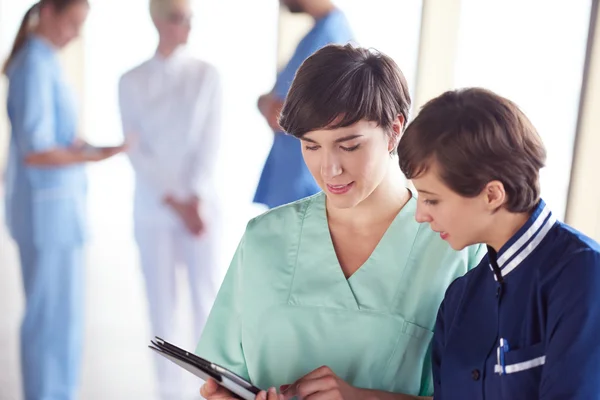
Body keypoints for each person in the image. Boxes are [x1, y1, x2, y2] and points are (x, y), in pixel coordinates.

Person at [196, 44, 486, 400]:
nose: (329, 169)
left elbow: (478, 393)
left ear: (394, 130)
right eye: (311, 146)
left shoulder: (454, 249)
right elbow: (220, 376)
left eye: (349, 146)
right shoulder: (264, 239)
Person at [398, 87, 600, 399]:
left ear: (492, 194)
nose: (420, 215)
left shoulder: (585, 274)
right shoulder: (458, 299)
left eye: (432, 200)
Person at [3, 1, 126, 399]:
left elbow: (53, 137)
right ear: (49, 12)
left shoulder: (46, 61)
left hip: (57, 209)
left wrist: (84, 146)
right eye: (71, 23)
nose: (75, 33)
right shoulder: (34, 64)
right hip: (45, 212)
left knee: (62, 318)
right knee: (48, 319)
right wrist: (92, 155)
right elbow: (36, 150)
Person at [118, 0, 224, 398]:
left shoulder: (207, 75)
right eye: (180, 19)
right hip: (155, 208)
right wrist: (176, 201)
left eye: (190, 19)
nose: (188, 28)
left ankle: (213, 389)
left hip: (201, 208)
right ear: (157, 20)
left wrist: (193, 198)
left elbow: (209, 143)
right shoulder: (130, 80)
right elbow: (136, 150)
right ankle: (168, 391)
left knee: (207, 303)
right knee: (161, 307)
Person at [253, 0, 354, 209]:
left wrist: (271, 107)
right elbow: (273, 103)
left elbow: (285, 115)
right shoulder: (315, 36)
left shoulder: (330, 39)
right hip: (291, 184)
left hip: (302, 187)